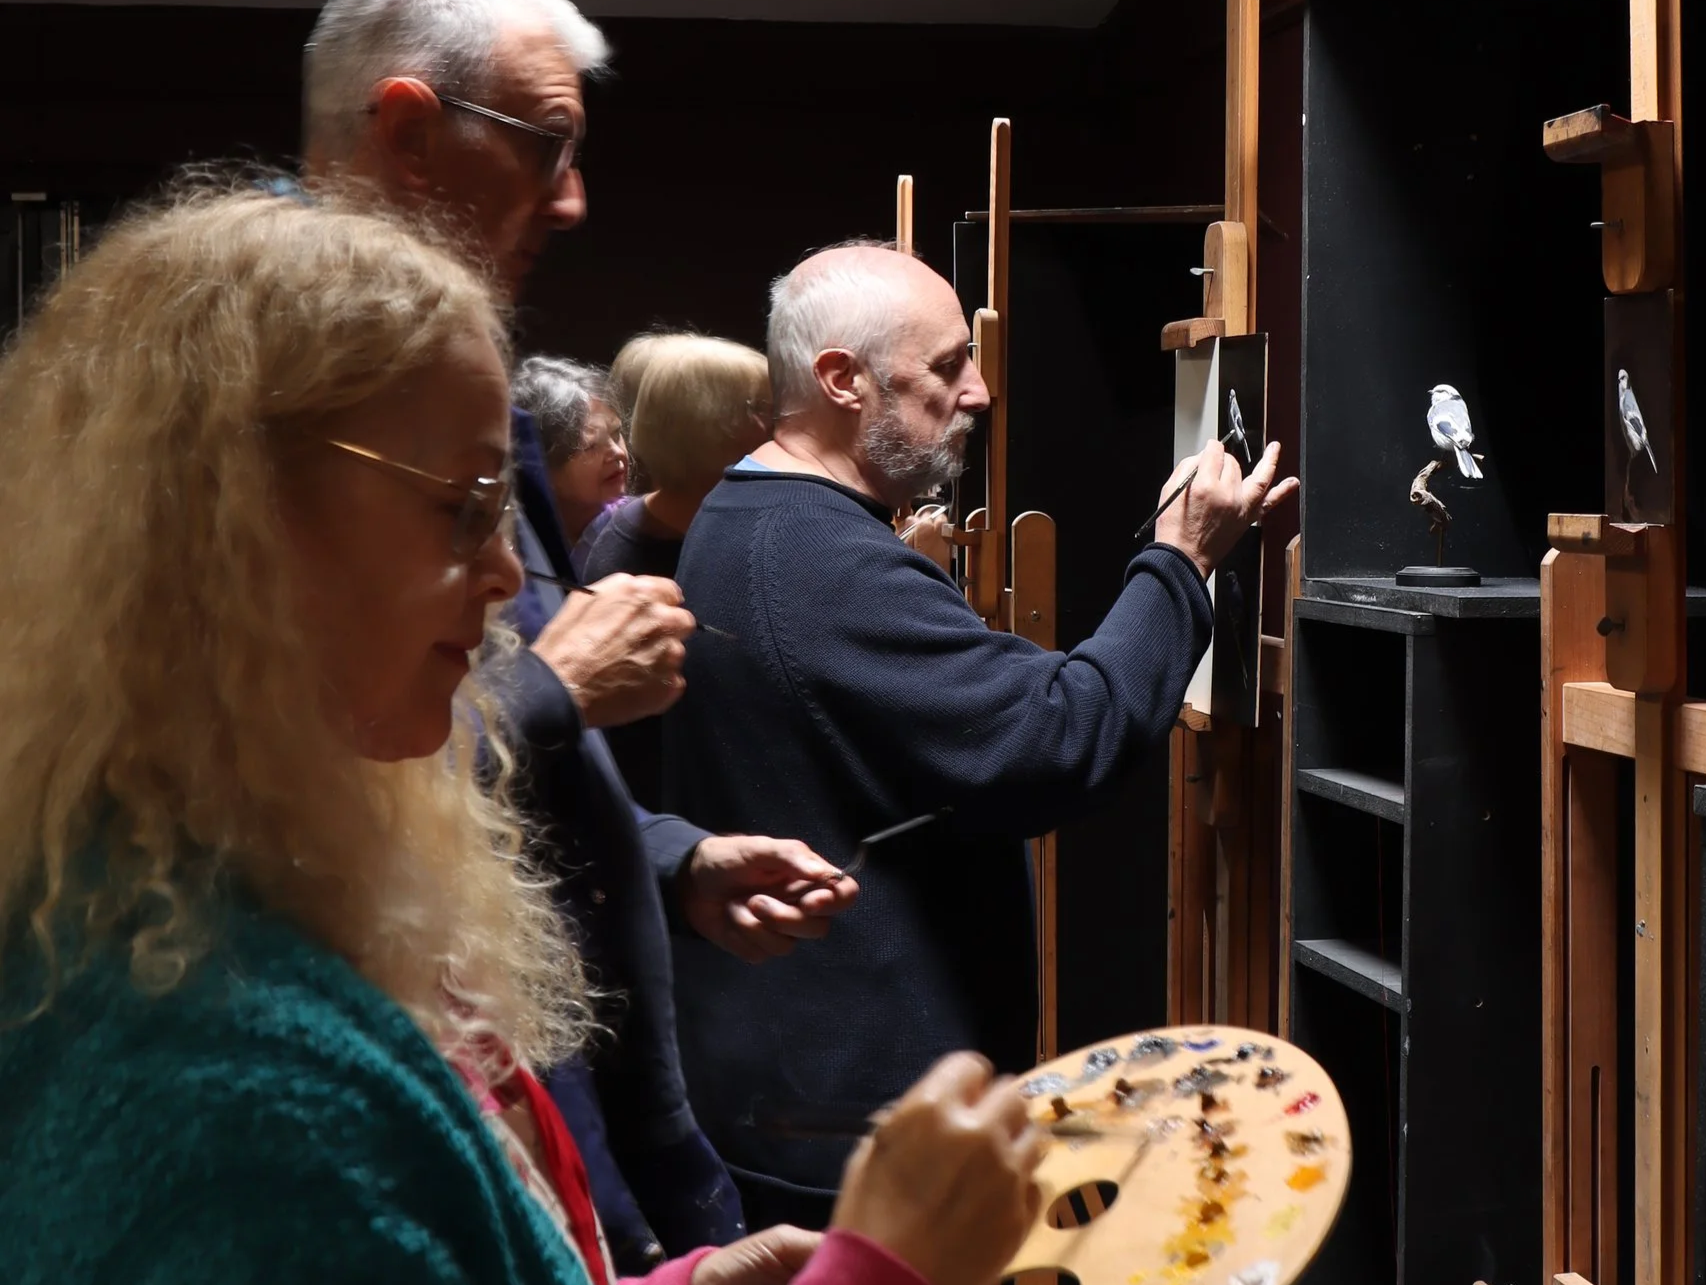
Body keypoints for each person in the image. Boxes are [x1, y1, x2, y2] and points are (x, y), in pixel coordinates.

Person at [0, 185, 1045, 1285]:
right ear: (237, 532)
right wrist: (875, 1269)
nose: (506, 574)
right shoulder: (224, 1080)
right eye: (460, 507)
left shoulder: (231, 877)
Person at [300, 0, 842, 1265]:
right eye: (547, 145)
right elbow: (275, 784)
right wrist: (554, 689)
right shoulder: (271, 394)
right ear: (411, 133)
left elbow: (511, 753)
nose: (575, 199)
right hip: (425, 1120)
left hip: (593, 1127)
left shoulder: (459, 378)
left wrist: (670, 855)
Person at [665, 243, 1296, 1226]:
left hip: (808, 1093)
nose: (980, 389)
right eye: (950, 363)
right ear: (842, 379)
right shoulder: (815, 555)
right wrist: (1180, 559)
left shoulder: (752, 517)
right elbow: (1056, 737)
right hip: (847, 1131)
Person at [583, 333, 773, 808]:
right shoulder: (635, 564)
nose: (777, 422)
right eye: (763, 407)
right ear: (716, 427)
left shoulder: (677, 521)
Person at [511, 354, 632, 561]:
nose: (618, 453)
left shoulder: (640, 527)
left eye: (616, 433)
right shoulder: (518, 551)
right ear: (543, 464)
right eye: (590, 446)